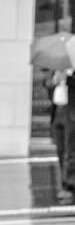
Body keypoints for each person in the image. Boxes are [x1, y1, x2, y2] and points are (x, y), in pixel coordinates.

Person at [48, 69, 75, 203]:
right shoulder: (57, 70)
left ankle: (69, 186)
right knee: (60, 150)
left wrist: (68, 78)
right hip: (58, 111)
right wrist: (54, 81)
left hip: (70, 113)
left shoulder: (71, 73)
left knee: (69, 151)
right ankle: (65, 180)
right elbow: (48, 87)